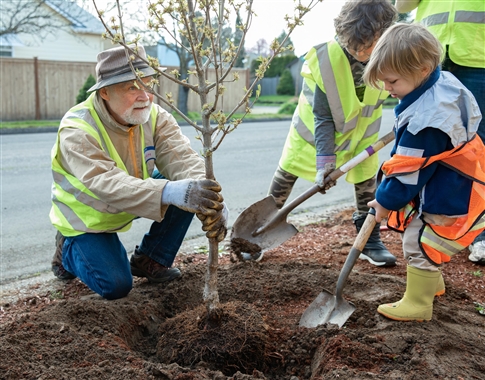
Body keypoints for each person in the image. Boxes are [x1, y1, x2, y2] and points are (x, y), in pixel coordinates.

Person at [50, 45, 228, 300]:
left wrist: (212, 197)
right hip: (85, 219)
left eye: (148, 84)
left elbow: (182, 159)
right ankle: (66, 249)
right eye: (132, 87)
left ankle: (151, 259)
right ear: (105, 92)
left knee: (189, 188)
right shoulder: (77, 129)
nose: (145, 96)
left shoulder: (153, 116)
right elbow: (106, 183)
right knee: (116, 285)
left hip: (132, 196)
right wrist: (169, 191)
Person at [262, 0, 398, 266]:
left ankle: (369, 240)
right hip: (312, 135)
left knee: (367, 183)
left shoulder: (392, 52)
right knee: (285, 176)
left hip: (363, 135)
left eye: (367, 46)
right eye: (353, 45)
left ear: (383, 36)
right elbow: (323, 116)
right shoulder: (326, 59)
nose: (359, 52)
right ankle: (260, 231)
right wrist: (325, 162)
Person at [363, 23, 485, 321]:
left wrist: (383, 201)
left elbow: (407, 173)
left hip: (451, 190)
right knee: (422, 232)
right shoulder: (440, 83)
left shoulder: (427, 123)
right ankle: (431, 284)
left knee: (417, 240)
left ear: (422, 68)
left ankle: (419, 303)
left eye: (392, 81)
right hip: (456, 178)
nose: (388, 89)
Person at [394, 1, 485, 265]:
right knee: (429, 142)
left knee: (475, 148)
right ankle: (431, 221)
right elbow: (403, 4)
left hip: (478, 55)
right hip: (430, 52)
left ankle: (477, 232)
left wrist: (388, 197)